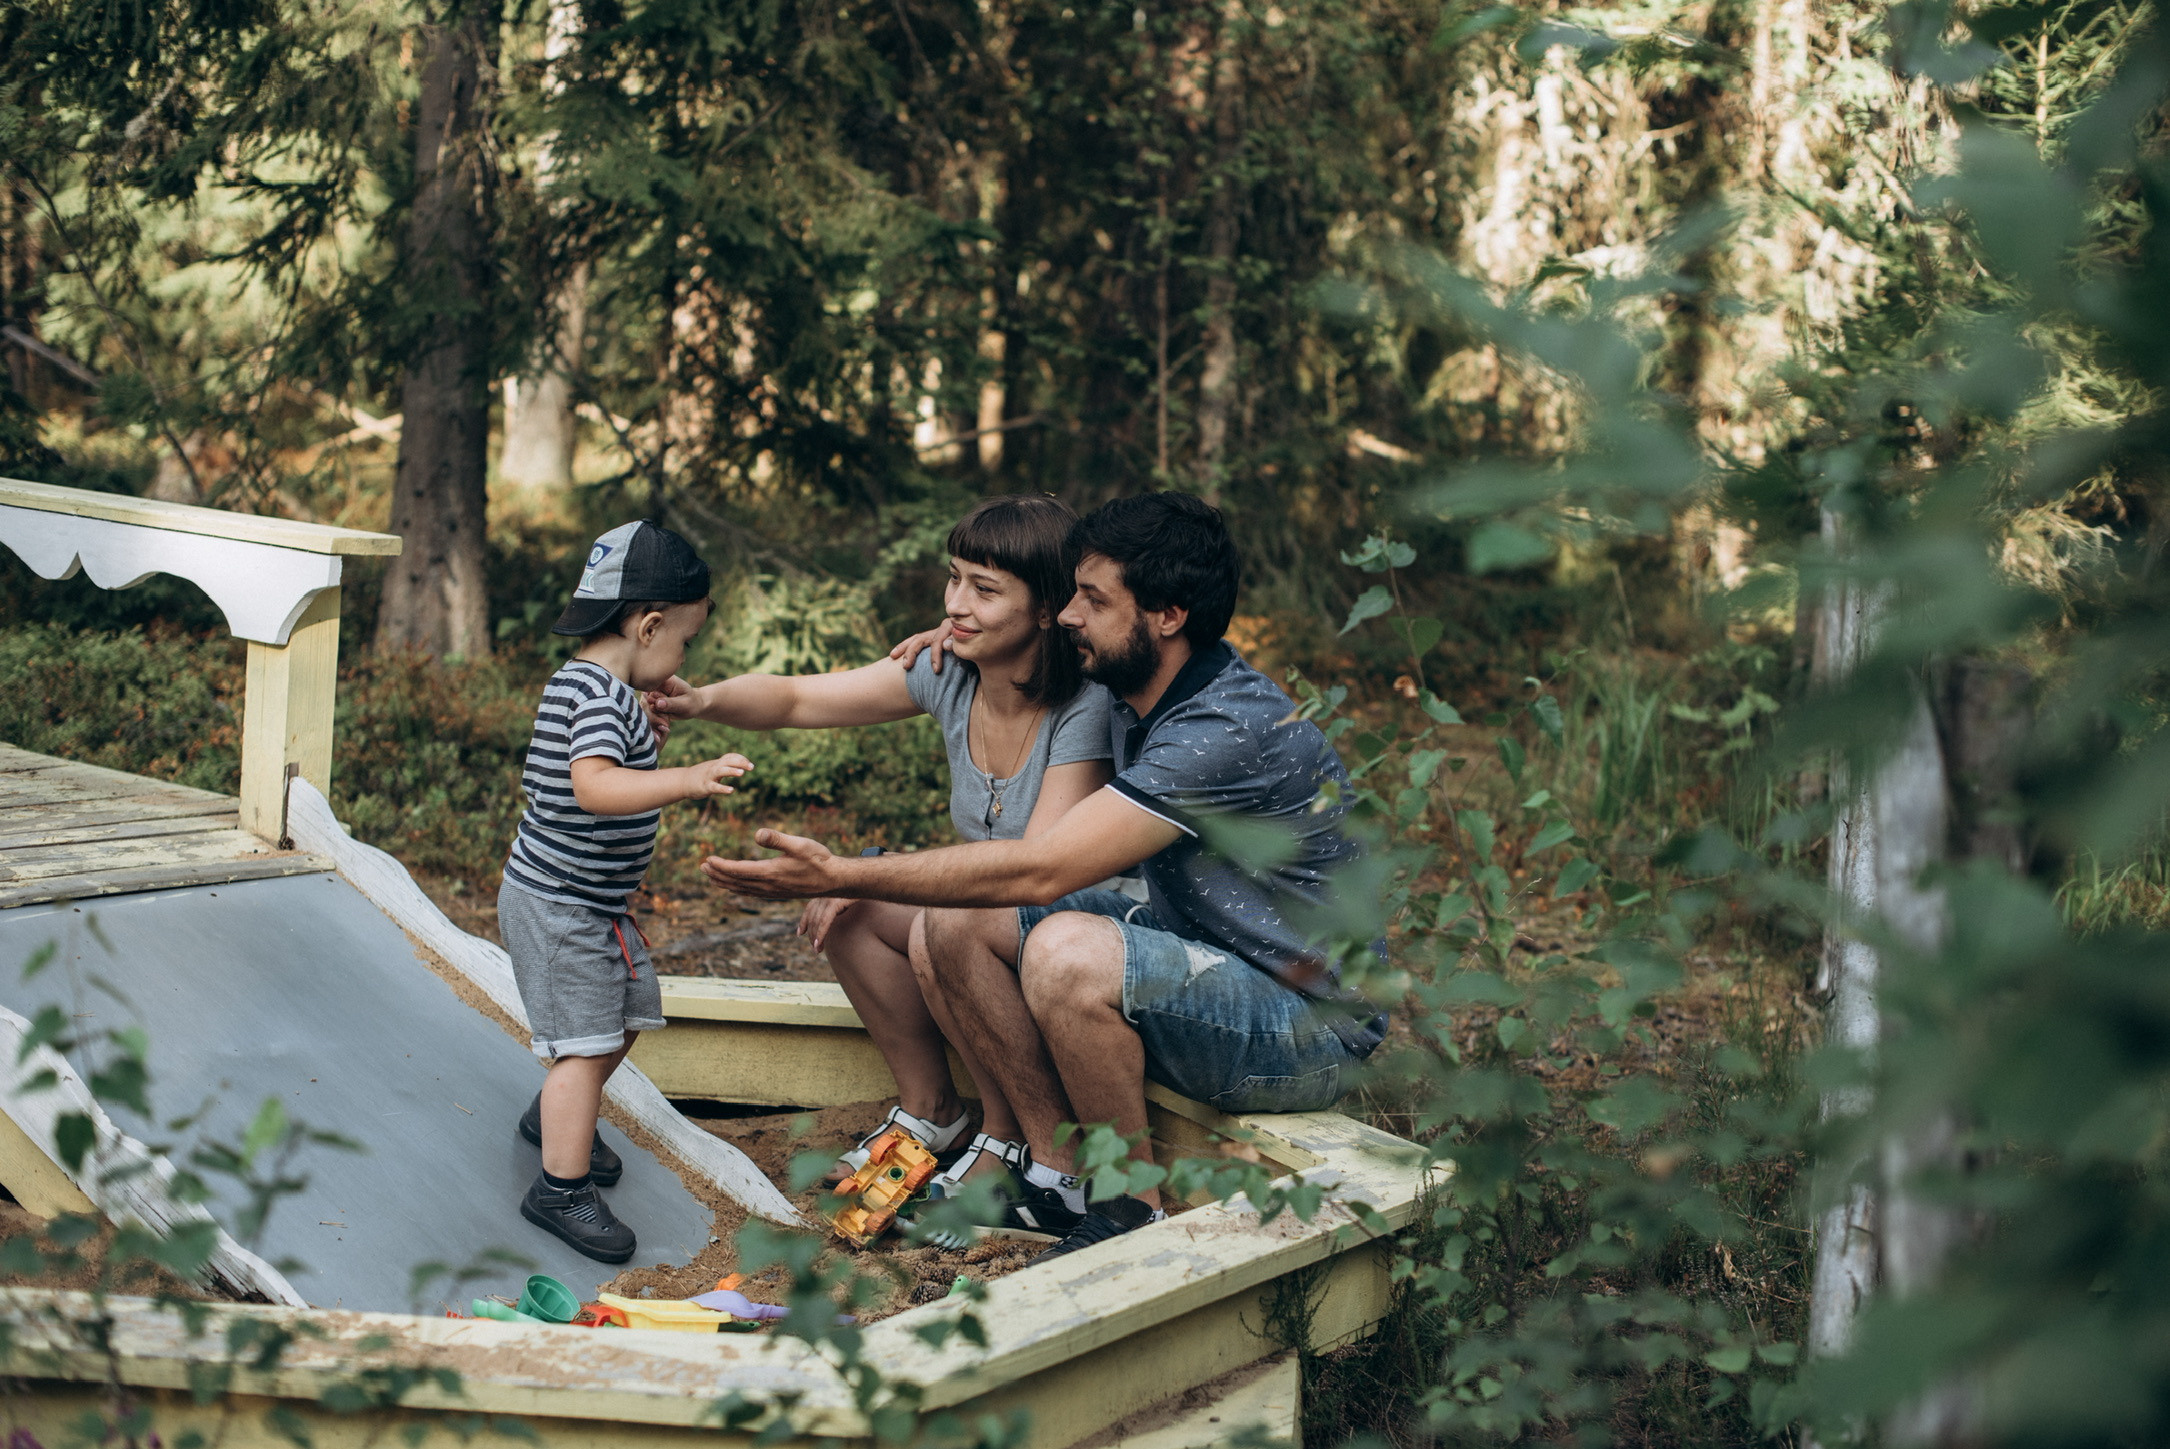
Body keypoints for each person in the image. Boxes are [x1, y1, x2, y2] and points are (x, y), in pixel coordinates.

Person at [701, 492, 1388, 1262]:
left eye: (1091, 599)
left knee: (1063, 949)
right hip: (1200, 958)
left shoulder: (1220, 728)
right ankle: (1049, 1172)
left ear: (1167, 614)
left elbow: (1044, 865)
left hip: (1304, 1024)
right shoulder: (1143, 681)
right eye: (1067, 596)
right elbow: (1028, 626)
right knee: (956, 920)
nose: (1067, 614)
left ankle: (1130, 1206)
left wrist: (845, 872)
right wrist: (967, 626)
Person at [648, 495, 1113, 1219]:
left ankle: (1011, 1137)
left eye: (985, 590)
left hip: (1066, 939)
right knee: (852, 909)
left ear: (1050, 608)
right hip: (982, 924)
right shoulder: (950, 669)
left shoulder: (1086, 705)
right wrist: (700, 699)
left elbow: (1036, 870)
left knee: (931, 918)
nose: (956, 604)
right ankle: (933, 1110)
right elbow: (802, 699)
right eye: (954, 578)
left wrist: (867, 863)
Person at [499, 520, 752, 1264]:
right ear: (647, 625)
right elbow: (595, 785)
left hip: (596, 905)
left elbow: (613, 764)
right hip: (557, 905)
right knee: (585, 1046)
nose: (683, 658)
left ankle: (555, 1118)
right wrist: (685, 778)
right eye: (685, 641)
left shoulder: (602, 688)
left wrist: (654, 744)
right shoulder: (593, 693)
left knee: (628, 1012)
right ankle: (561, 1187)